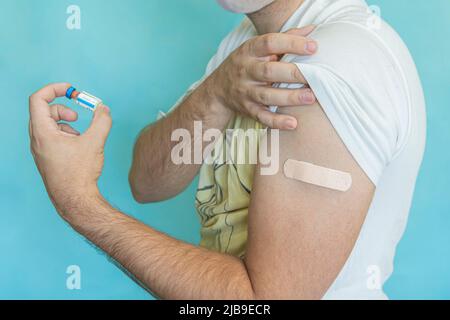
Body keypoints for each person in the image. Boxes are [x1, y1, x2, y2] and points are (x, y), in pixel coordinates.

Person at [29, 0, 426, 299]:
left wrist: (79, 203)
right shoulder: (244, 42)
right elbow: (147, 184)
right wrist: (216, 93)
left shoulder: (330, 60)